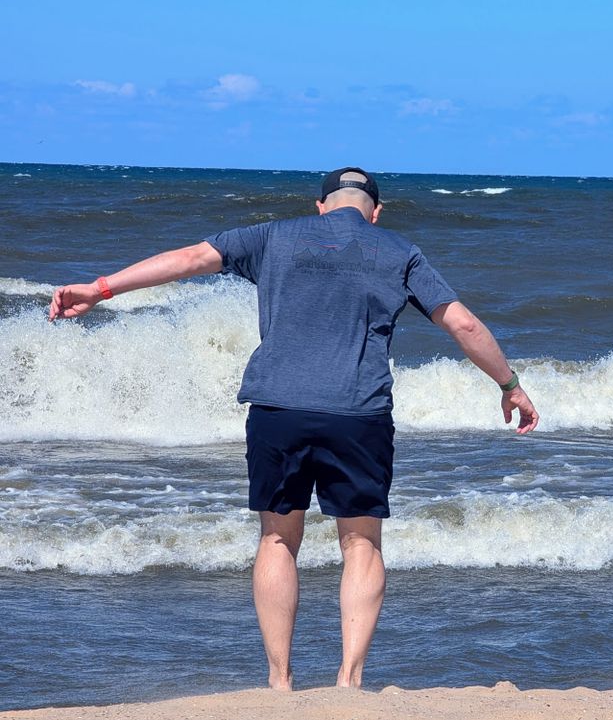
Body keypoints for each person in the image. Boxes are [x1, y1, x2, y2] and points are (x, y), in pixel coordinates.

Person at [48, 167, 539, 691]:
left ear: (321, 205)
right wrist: (509, 383)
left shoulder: (270, 236)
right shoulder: (400, 250)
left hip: (278, 410)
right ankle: (349, 681)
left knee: (278, 539)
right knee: (361, 543)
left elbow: (189, 259)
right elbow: (461, 323)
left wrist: (100, 289)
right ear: (375, 212)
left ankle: (280, 681)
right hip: (359, 413)